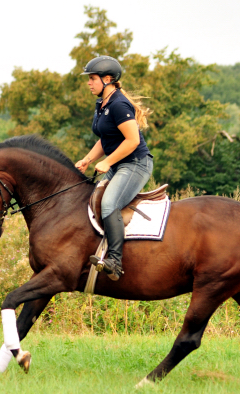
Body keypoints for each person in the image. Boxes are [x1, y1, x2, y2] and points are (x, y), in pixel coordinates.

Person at [75, 56, 153, 281]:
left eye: (92, 79)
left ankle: (115, 261)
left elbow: (132, 141)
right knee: (91, 199)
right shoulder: (101, 104)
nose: (89, 83)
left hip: (135, 164)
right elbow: (105, 138)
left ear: (107, 79)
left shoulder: (118, 105)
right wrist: (88, 159)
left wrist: (107, 162)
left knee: (109, 203)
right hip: (119, 164)